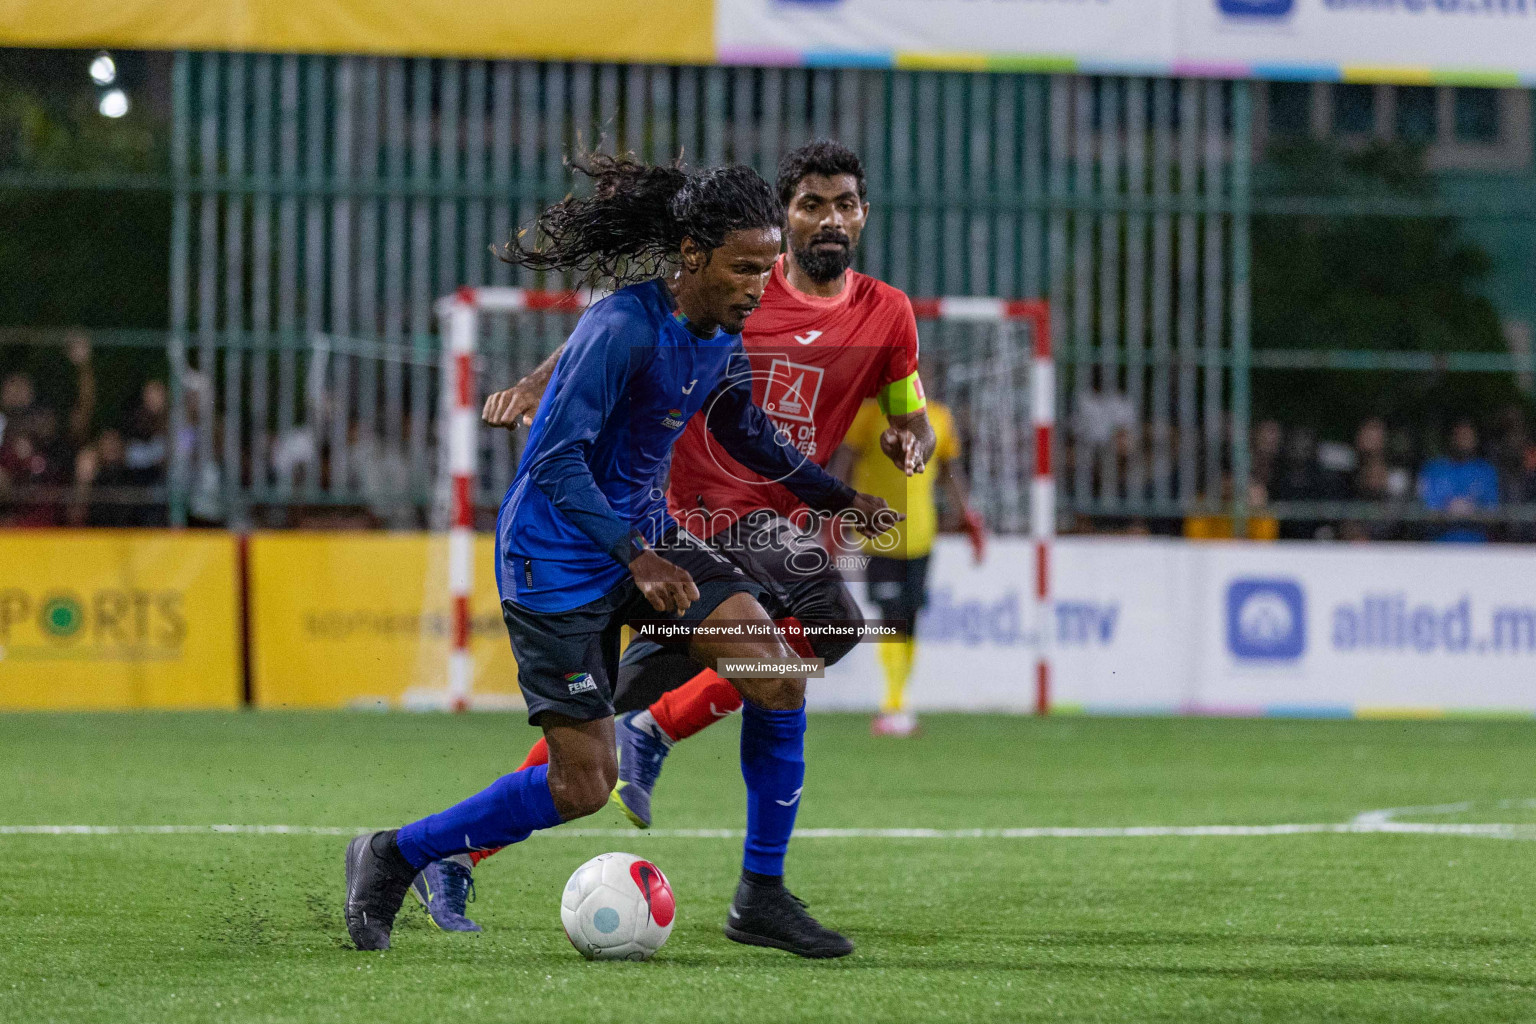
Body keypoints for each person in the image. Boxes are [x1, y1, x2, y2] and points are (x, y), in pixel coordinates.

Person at [342, 156, 898, 958]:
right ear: (692, 254)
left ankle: (762, 896)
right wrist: (636, 557)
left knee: (778, 674)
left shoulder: (721, 333)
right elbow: (554, 461)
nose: (758, 285)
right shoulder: (624, 328)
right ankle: (397, 853)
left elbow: (745, 430)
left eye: (765, 267)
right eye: (744, 268)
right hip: (557, 557)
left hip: (649, 537)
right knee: (583, 787)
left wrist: (836, 500)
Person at [837, 376, 984, 737]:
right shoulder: (868, 416)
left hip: (920, 533)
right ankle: (894, 705)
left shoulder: (939, 417)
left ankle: (898, 702)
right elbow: (845, 464)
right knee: (892, 616)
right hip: (878, 535)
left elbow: (950, 473)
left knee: (910, 616)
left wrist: (968, 517)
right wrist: (834, 514)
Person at [1418, 418, 1499, 542]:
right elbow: (1422, 510)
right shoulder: (1433, 469)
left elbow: (1494, 513)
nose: (1464, 440)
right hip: (1438, 548)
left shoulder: (1486, 471)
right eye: (1460, 435)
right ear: (1451, 437)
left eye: (1467, 436)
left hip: (1478, 549)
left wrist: (1472, 511)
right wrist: (1447, 511)